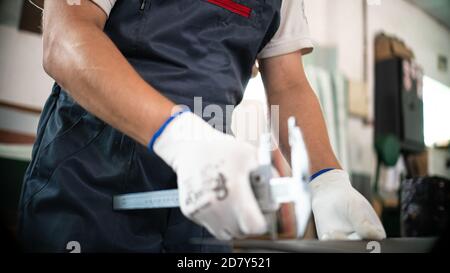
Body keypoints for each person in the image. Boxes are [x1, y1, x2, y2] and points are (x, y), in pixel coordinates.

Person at [19, 0, 386, 252]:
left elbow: (288, 82)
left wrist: (325, 179)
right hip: (93, 180)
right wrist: (179, 138)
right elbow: (63, 36)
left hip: (210, 189)